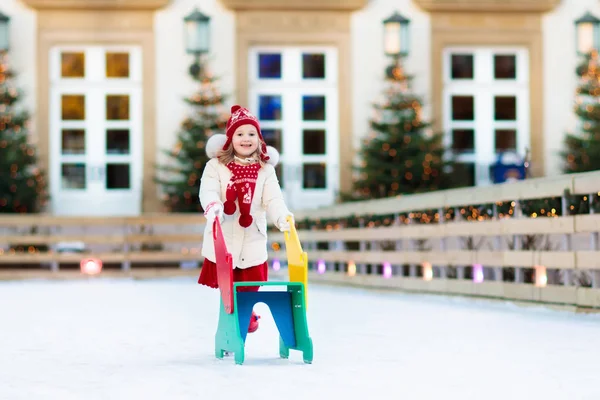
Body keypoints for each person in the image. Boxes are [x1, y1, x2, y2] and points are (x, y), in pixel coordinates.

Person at [198, 105, 293, 333]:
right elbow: (208, 190)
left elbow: (273, 199)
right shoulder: (216, 166)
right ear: (230, 140)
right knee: (228, 286)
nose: (246, 139)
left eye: (252, 134)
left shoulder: (265, 170)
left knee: (250, 284)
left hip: (252, 237)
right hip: (225, 237)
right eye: (240, 134)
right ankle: (233, 326)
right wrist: (213, 206)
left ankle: (246, 311)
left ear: (259, 140)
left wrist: (283, 217)